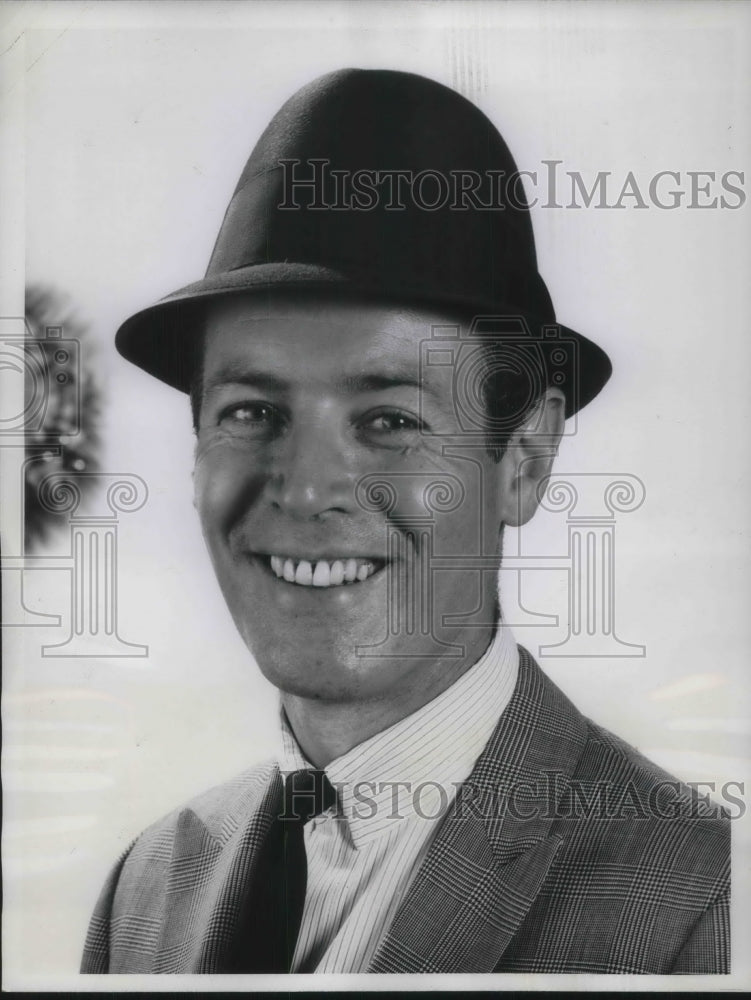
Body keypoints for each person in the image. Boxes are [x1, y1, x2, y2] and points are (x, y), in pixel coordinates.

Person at [81, 68, 729, 976]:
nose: (305, 492)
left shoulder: (704, 902)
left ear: (525, 462)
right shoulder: (150, 886)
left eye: (389, 421)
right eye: (249, 412)